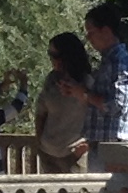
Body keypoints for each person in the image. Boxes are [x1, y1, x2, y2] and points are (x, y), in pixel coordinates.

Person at [76, 5, 128, 153]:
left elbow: (117, 105)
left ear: (105, 31)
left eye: (91, 32)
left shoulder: (119, 62)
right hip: (105, 142)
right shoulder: (109, 60)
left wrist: (84, 95)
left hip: (114, 144)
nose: (88, 38)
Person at [31, 33, 94, 174]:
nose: (52, 59)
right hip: (48, 153)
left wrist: (87, 146)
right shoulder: (51, 79)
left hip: (75, 154)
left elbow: (99, 112)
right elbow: (41, 112)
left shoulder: (87, 81)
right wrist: (39, 142)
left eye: (55, 55)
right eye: (50, 54)